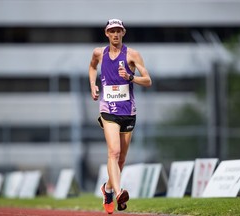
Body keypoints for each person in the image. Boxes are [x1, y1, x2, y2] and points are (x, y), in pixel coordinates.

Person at [88, 18, 152, 214]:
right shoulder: (99, 53)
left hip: (127, 111)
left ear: (123, 33)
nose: (115, 34)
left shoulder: (132, 55)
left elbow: (148, 80)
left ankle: (107, 190)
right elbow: (92, 67)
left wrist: (130, 77)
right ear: (106, 33)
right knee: (113, 152)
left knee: (121, 159)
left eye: (118, 31)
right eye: (112, 31)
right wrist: (93, 84)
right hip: (108, 109)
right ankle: (118, 192)